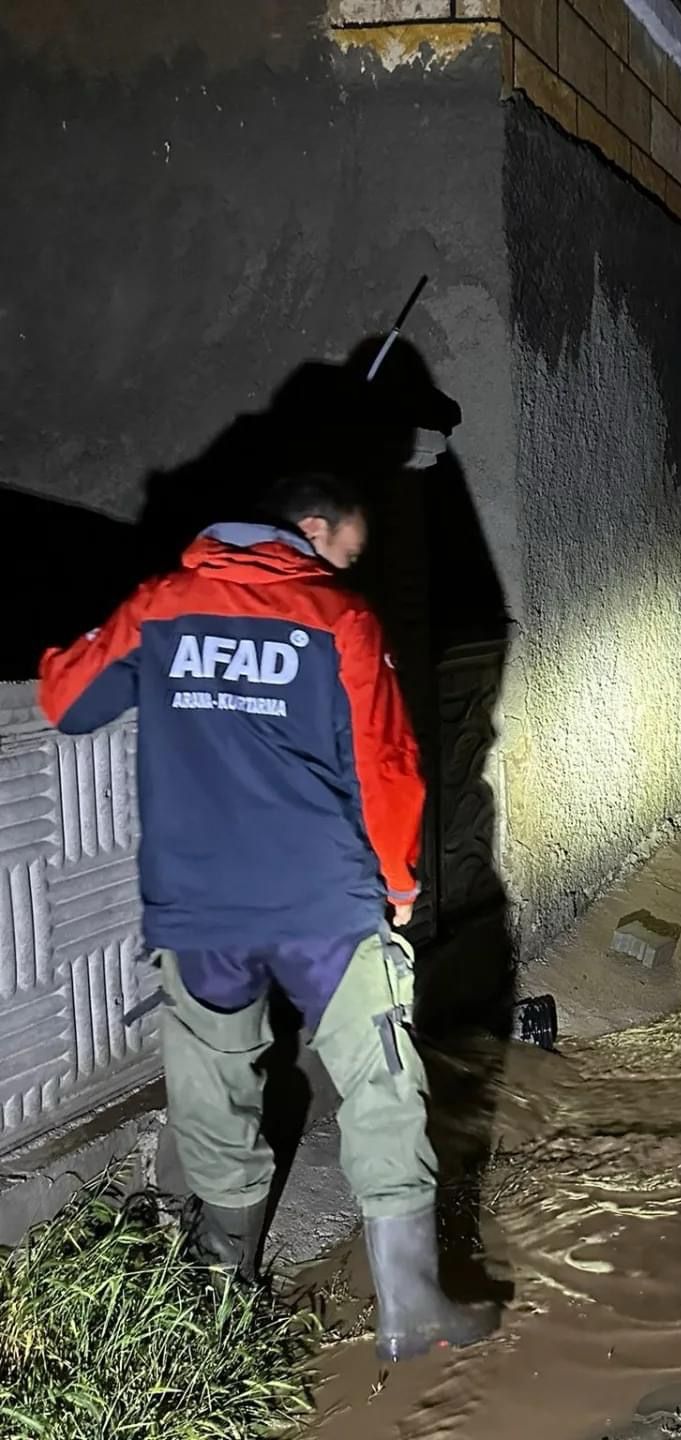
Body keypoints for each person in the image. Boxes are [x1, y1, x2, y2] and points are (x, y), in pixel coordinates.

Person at [38, 472, 496, 1364]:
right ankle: (409, 1299)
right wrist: (401, 884)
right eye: (346, 552)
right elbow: (390, 766)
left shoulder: (162, 606)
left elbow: (65, 700)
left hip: (202, 905)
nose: (347, 568)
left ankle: (220, 1287)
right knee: (379, 1073)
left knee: (213, 1083)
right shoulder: (343, 620)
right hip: (325, 899)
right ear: (310, 528)